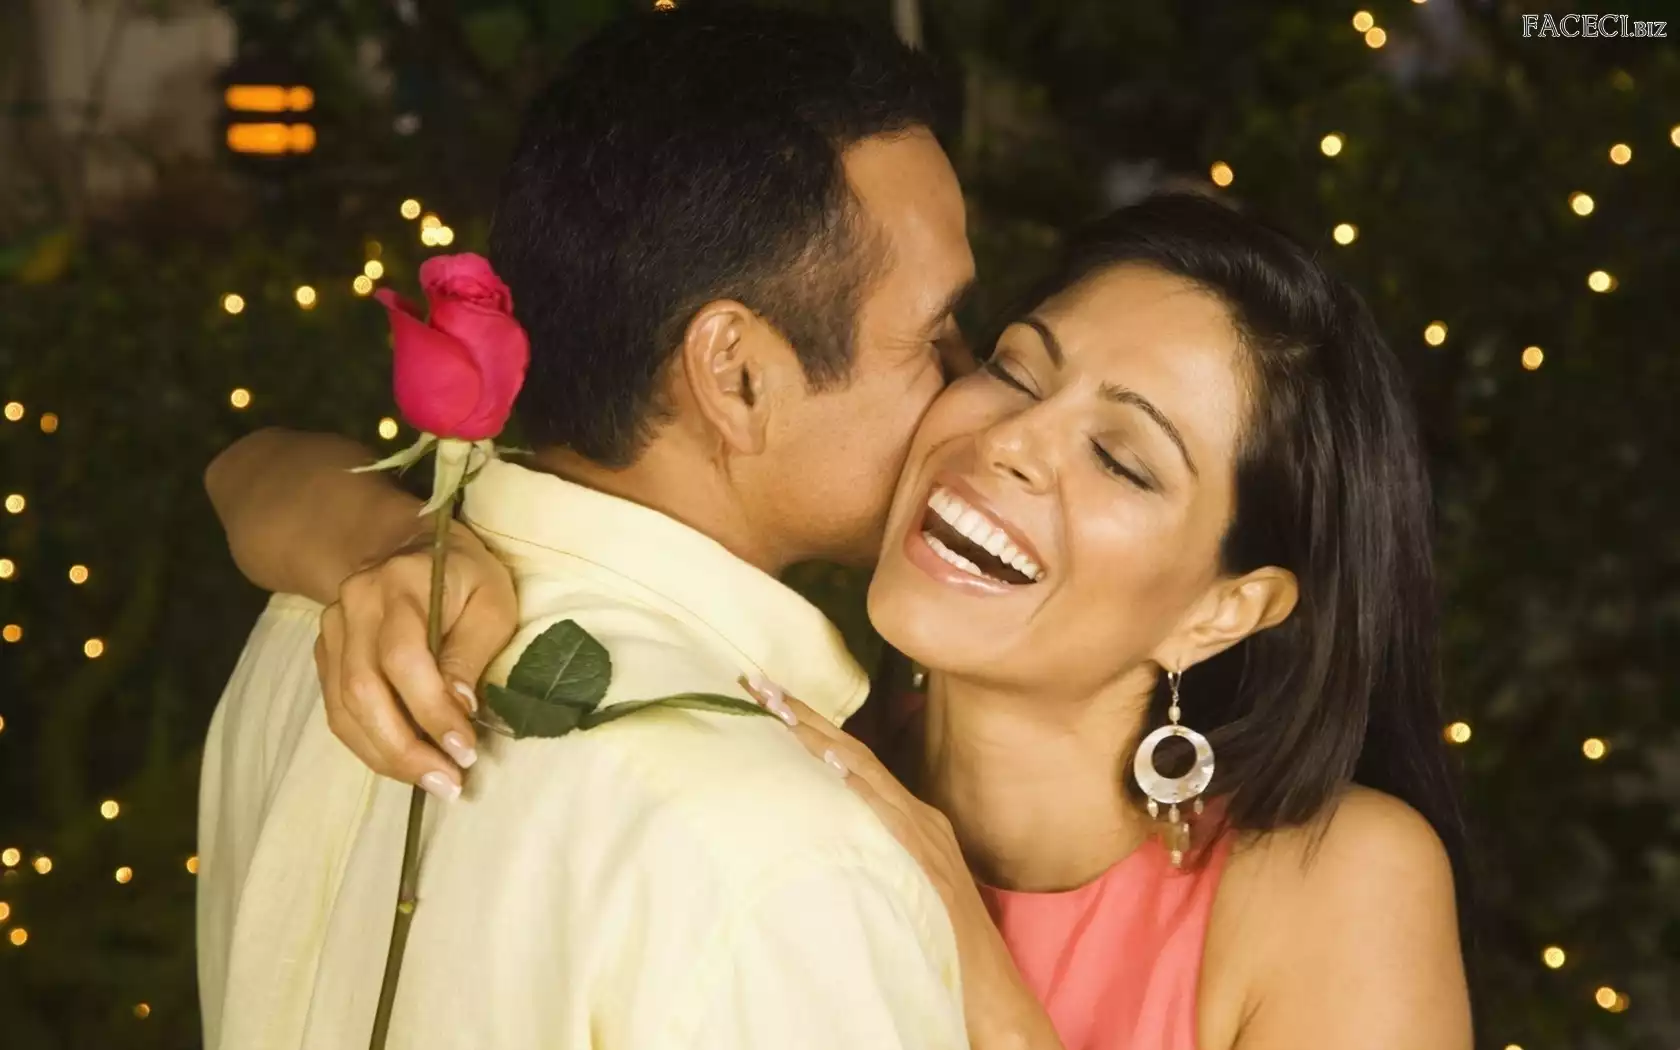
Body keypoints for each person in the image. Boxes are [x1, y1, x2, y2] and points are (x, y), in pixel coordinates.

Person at [213, 194, 1475, 1048]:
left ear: (1223, 609)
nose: (1014, 441)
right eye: (1016, 369)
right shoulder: (779, 762)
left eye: (1123, 460)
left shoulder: (1338, 882)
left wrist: (984, 983)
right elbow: (249, 474)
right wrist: (390, 550)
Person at [197, 8, 980, 1050]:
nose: (972, 391)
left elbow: (245, 469)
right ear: (737, 375)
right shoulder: (786, 863)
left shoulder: (318, 623)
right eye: (934, 335)